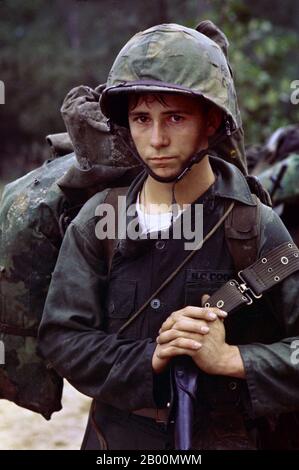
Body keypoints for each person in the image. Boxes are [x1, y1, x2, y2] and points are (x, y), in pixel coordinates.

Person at [38, 23, 299, 450]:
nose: (156, 140)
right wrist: (149, 359)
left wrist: (234, 360)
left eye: (175, 118)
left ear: (211, 120)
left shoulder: (255, 226)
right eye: (142, 119)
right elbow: (63, 338)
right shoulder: (101, 219)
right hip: (115, 443)